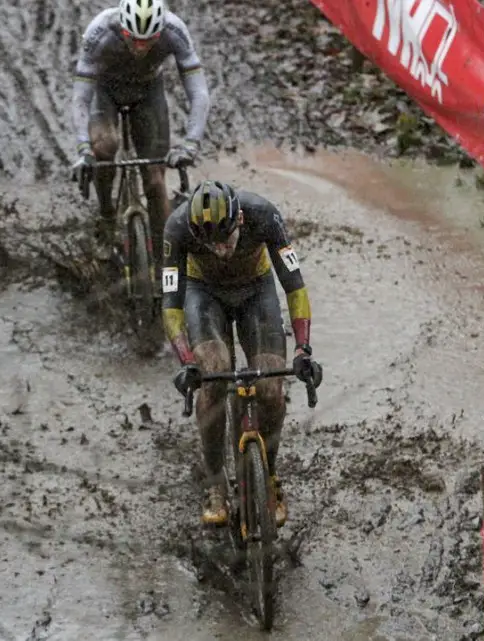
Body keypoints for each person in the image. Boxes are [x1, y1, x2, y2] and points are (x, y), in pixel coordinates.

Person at [162, 180, 323, 527]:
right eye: (211, 244)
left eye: (226, 239)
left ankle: (270, 475)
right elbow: (171, 305)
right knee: (214, 375)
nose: (220, 250)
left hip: (256, 291)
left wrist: (303, 348)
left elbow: (294, 286)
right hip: (203, 295)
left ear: (240, 221)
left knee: (269, 388)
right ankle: (215, 483)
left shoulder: (264, 214)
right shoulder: (176, 228)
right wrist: (186, 360)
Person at [69, 0, 211, 264]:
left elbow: (199, 93)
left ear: (160, 31)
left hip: (147, 92)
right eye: (133, 38)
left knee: (156, 183)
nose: (140, 47)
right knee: (104, 147)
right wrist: (83, 148)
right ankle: (107, 216)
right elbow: (81, 97)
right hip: (106, 92)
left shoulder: (175, 31)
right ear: (122, 28)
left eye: (149, 40)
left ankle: (165, 262)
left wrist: (191, 144)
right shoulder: (100, 31)